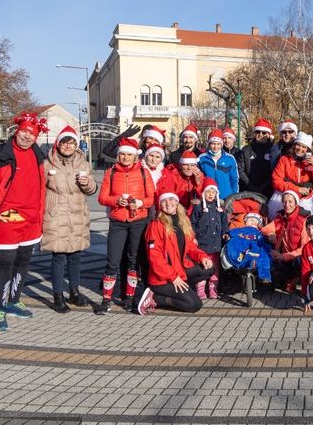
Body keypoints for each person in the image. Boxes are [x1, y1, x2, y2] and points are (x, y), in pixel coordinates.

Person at [0, 112, 48, 332]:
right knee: (5, 262)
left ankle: (14, 300)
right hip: (8, 216)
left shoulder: (38, 154)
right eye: (23, 131)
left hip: (32, 218)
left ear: (37, 136)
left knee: (23, 261)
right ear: (16, 131)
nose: (26, 136)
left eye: (31, 133)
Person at [95, 137, 156, 314]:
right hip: (118, 222)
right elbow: (101, 198)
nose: (125, 158)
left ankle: (129, 298)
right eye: (122, 155)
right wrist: (116, 200)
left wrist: (139, 203)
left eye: (129, 155)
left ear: (135, 156)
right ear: (118, 155)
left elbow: (152, 199)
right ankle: (106, 300)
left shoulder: (144, 173)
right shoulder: (110, 173)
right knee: (112, 261)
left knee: (133, 261)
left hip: (138, 221)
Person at [41, 126, 97, 312]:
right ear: (59, 143)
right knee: (58, 256)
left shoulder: (83, 164)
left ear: (76, 145)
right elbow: (39, 188)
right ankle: (57, 295)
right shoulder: (48, 164)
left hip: (77, 213)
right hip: (56, 214)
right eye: (65, 142)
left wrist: (87, 183)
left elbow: (92, 189)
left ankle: (74, 291)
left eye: (71, 143)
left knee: (76, 255)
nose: (68, 146)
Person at [144, 191, 216, 313]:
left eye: (171, 199)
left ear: (177, 202)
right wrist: (174, 277)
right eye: (164, 201)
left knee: (210, 268)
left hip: (179, 270)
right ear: (160, 205)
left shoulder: (183, 221)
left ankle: (182, 290)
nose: (168, 203)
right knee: (194, 304)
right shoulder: (156, 225)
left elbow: (191, 247)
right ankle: (155, 297)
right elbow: (155, 258)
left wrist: (202, 257)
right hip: (163, 278)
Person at [261, 189, 309, 291]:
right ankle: (285, 279)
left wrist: (283, 256)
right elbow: (264, 229)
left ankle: (296, 279)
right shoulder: (280, 217)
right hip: (284, 257)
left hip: (297, 257)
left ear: (296, 203)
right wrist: (271, 234)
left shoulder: (303, 219)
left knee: (298, 261)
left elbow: (305, 248)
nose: (287, 205)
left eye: (290, 202)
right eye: (284, 202)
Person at [189, 177, 228, 298]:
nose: (210, 194)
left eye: (213, 192)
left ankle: (213, 287)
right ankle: (200, 288)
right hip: (202, 243)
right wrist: (193, 236)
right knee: (202, 265)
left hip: (216, 243)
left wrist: (225, 233)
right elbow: (192, 224)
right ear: (203, 193)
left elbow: (224, 224)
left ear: (216, 193)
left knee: (215, 266)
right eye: (208, 192)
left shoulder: (220, 209)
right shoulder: (198, 208)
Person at [270, 132, 313, 216]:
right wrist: (297, 189)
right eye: (298, 145)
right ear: (294, 145)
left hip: (306, 198)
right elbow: (276, 181)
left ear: (308, 149)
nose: (300, 149)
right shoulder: (284, 159)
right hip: (286, 195)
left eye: (304, 147)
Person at [223, 212, 273, 284]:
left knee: (264, 255)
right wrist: (228, 235)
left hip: (255, 248)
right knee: (236, 246)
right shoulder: (241, 229)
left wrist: (267, 242)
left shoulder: (258, 233)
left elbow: (263, 240)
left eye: (255, 223)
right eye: (251, 220)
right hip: (243, 248)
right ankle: (249, 262)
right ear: (245, 221)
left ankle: (264, 276)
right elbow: (232, 232)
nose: (253, 223)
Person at [237, 118, 275, 195]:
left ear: (268, 135)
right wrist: (250, 186)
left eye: (264, 133)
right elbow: (240, 170)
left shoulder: (273, 150)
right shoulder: (246, 150)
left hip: (268, 191)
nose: (260, 134)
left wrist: (264, 187)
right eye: (258, 132)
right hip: (249, 190)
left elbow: (275, 171)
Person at [198, 129, 239, 199]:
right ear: (209, 144)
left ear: (221, 144)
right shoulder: (202, 159)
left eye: (218, 144)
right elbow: (199, 180)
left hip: (226, 197)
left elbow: (234, 180)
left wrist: (234, 196)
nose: (215, 147)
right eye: (213, 143)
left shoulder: (230, 158)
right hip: (209, 197)